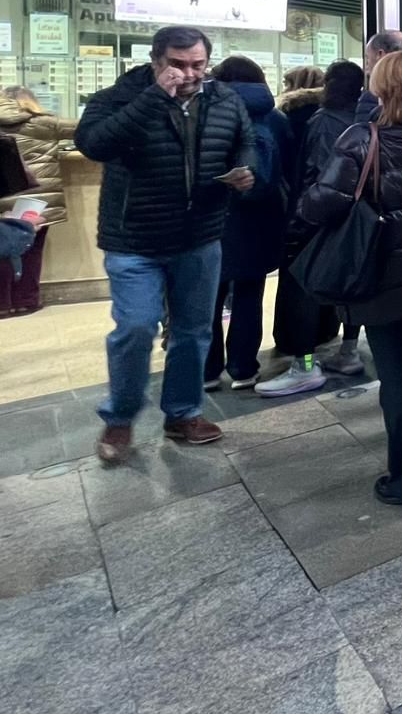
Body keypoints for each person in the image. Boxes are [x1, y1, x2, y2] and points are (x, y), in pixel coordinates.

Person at [75, 26, 257, 465]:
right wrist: (156, 97)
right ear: (156, 61)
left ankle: (182, 414)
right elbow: (93, 143)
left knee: (194, 332)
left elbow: (245, 141)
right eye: (177, 64)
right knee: (136, 328)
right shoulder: (119, 97)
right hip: (134, 239)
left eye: (197, 64)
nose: (189, 73)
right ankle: (119, 419)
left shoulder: (223, 99)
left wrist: (247, 170)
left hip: (199, 237)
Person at [300, 50, 402, 510]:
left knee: (397, 379)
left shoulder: (363, 139)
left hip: (382, 280)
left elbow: (321, 204)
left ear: (384, 90)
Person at [267, 59, 367, 393]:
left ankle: (305, 365)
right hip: (357, 217)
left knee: (305, 290)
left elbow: (320, 175)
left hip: (322, 219)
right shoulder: (366, 117)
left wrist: (301, 219)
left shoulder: (323, 121)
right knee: (351, 287)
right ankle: (350, 351)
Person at [203, 57, 291, 392]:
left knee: (208, 298)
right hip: (260, 219)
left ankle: (207, 372)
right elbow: (289, 168)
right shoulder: (275, 117)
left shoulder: (205, 114)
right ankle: (243, 368)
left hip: (212, 219)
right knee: (249, 295)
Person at [0, 86, 75, 317]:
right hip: (36, 198)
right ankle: (26, 300)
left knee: (2, 250)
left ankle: (2, 303)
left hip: (3, 194)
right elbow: (86, 128)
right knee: (32, 250)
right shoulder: (45, 123)